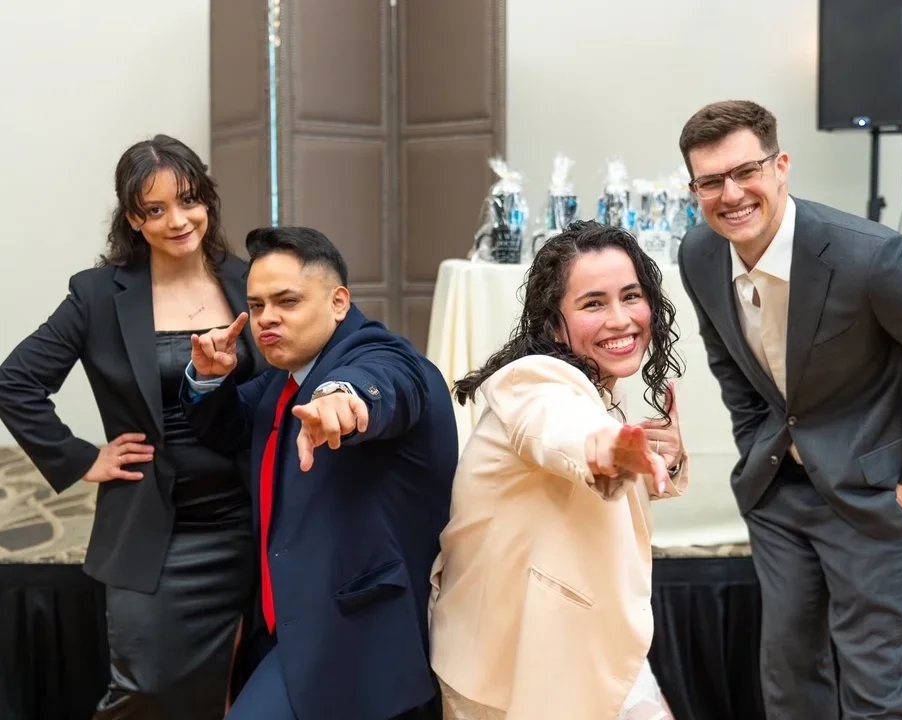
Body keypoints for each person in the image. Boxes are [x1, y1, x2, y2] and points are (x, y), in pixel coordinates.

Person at [676, 100, 902, 720]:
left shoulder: (874, 258)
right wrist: (757, 447)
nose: (731, 194)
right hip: (781, 496)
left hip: (877, 497)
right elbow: (730, 364)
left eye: (746, 171)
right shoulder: (699, 254)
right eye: (710, 181)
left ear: (781, 166)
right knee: (789, 681)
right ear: (693, 187)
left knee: (872, 697)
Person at [0, 135, 268, 717]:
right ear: (133, 218)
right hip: (152, 526)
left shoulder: (248, 282)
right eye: (156, 209)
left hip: (247, 519)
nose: (178, 220)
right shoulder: (98, 295)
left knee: (239, 690)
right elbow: (15, 382)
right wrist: (81, 457)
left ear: (208, 202)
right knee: (143, 689)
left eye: (190, 200)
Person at [181, 226, 457, 720]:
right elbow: (230, 426)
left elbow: (386, 386)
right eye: (258, 305)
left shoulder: (382, 356)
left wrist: (343, 402)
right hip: (288, 623)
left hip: (354, 638)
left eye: (286, 301)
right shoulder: (282, 381)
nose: (267, 319)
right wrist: (209, 378)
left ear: (338, 302)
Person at [429, 221, 688, 720]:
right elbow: (559, 430)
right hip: (515, 671)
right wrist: (606, 451)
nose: (621, 319)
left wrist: (663, 456)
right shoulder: (535, 381)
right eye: (593, 303)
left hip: (585, 642)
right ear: (553, 323)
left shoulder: (599, 385)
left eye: (631, 296)